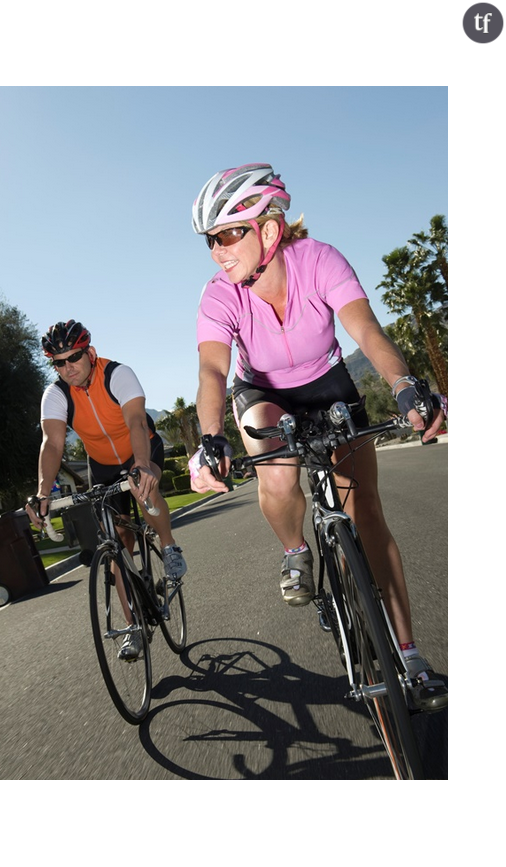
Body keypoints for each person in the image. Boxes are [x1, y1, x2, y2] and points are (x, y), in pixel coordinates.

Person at [189, 163, 447, 712]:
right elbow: (212, 371)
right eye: (211, 239)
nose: (218, 249)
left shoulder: (321, 261)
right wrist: (211, 438)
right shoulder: (219, 295)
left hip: (327, 382)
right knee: (277, 472)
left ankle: (411, 653)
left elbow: (366, 330)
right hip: (262, 391)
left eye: (230, 233)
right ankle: (296, 550)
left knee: (368, 513)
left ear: (271, 229)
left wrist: (404, 385)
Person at [26, 319, 186, 659]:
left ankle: (170, 548)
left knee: (143, 487)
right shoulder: (55, 395)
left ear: (91, 353)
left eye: (74, 358)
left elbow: (136, 422)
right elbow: (52, 445)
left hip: (141, 448)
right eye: (58, 362)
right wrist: (42, 492)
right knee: (116, 543)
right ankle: (133, 630)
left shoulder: (118, 374)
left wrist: (142, 465)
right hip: (101, 465)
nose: (67, 368)